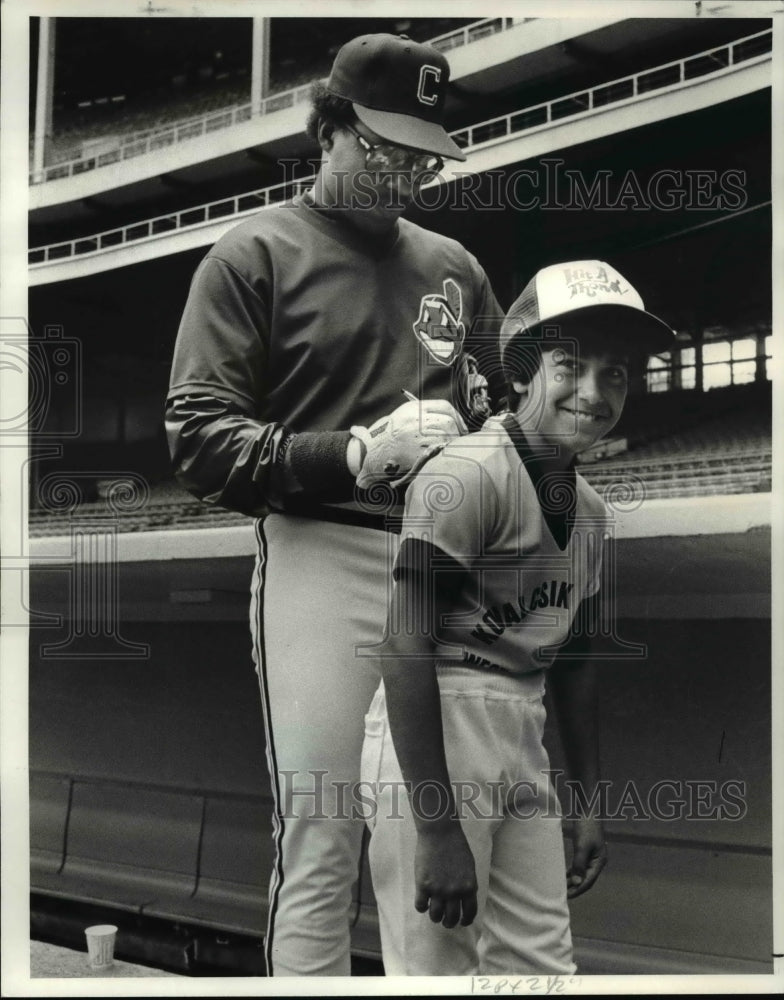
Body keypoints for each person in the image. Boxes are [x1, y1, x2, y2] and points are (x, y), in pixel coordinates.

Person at [165, 32, 503, 976]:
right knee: (323, 829)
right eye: (388, 147)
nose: (408, 173)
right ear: (332, 127)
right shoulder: (253, 253)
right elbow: (196, 437)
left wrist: (487, 431)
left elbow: (505, 414)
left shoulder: (456, 265)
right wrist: (355, 451)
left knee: (433, 828)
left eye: (424, 155)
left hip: (441, 561)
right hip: (321, 546)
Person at [361, 260, 675, 974]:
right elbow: (403, 646)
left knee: (541, 968)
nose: (594, 393)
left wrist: (586, 803)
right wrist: (436, 824)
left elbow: (576, 661)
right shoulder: (465, 474)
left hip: (521, 726)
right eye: (569, 365)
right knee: (436, 968)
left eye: (615, 372)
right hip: (439, 719)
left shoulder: (591, 514)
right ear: (524, 368)